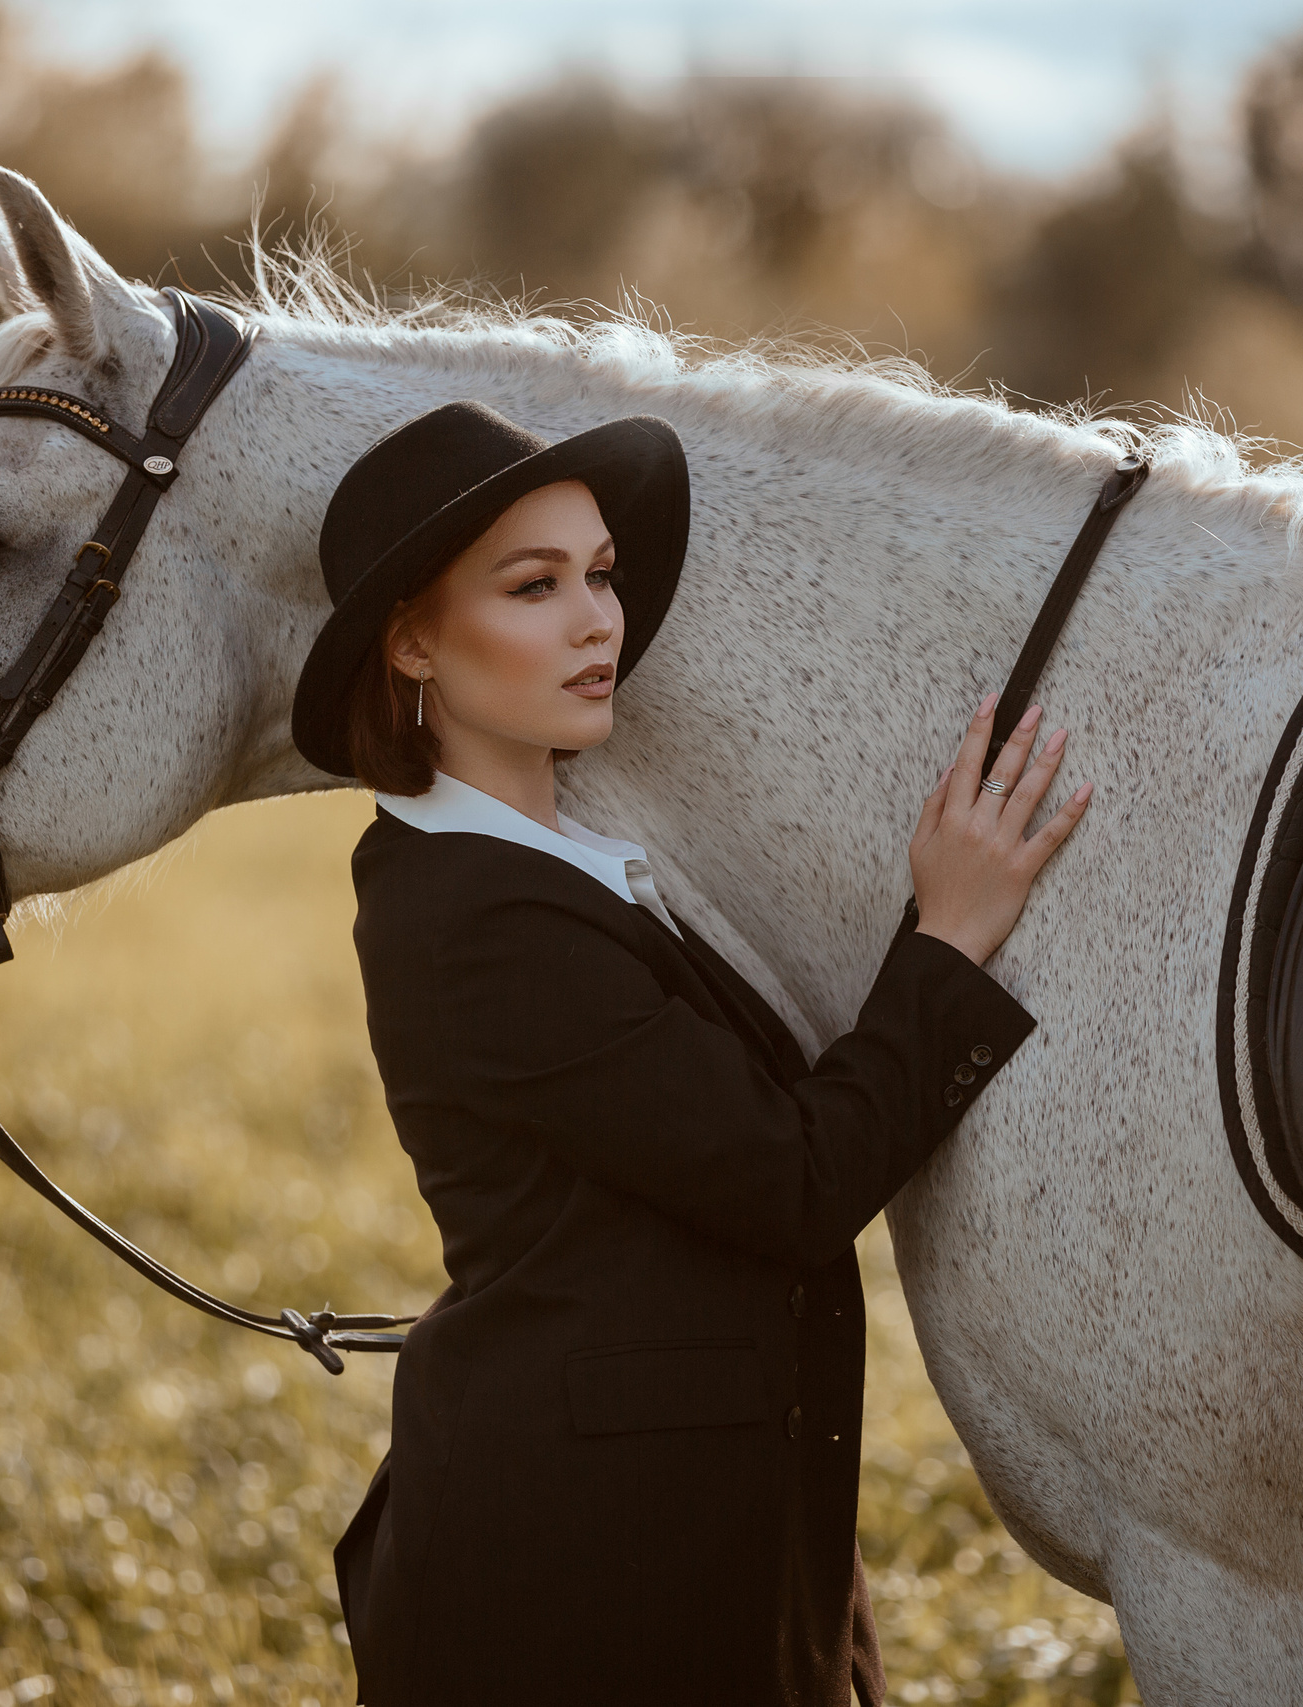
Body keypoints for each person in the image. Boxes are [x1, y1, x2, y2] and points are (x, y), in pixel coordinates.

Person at [289, 401, 1092, 1706]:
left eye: (600, 576)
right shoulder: (472, 916)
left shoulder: (565, 869)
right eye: (534, 586)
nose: (597, 619)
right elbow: (794, 1181)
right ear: (415, 641)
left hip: (706, 1537)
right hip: (582, 1575)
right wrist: (948, 938)